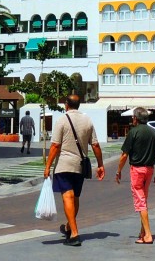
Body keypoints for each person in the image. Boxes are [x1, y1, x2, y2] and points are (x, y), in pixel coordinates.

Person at [44, 93, 104, 247]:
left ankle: (74, 234)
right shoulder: (87, 120)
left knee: (68, 197)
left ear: (66, 105)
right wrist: (100, 164)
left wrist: (47, 166)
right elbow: (95, 145)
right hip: (80, 166)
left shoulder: (61, 120)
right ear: (79, 105)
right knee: (75, 197)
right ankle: (69, 227)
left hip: (64, 165)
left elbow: (55, 145)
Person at [114, 107, 155, 245]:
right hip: (149, 170)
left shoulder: (133, 132)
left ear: (135, 118)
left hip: (137, 170)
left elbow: (124, 155)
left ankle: (148, 235)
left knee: (140, 202)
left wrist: (118, 171)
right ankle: (142, 233)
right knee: (144, 200)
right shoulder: (153, 132)